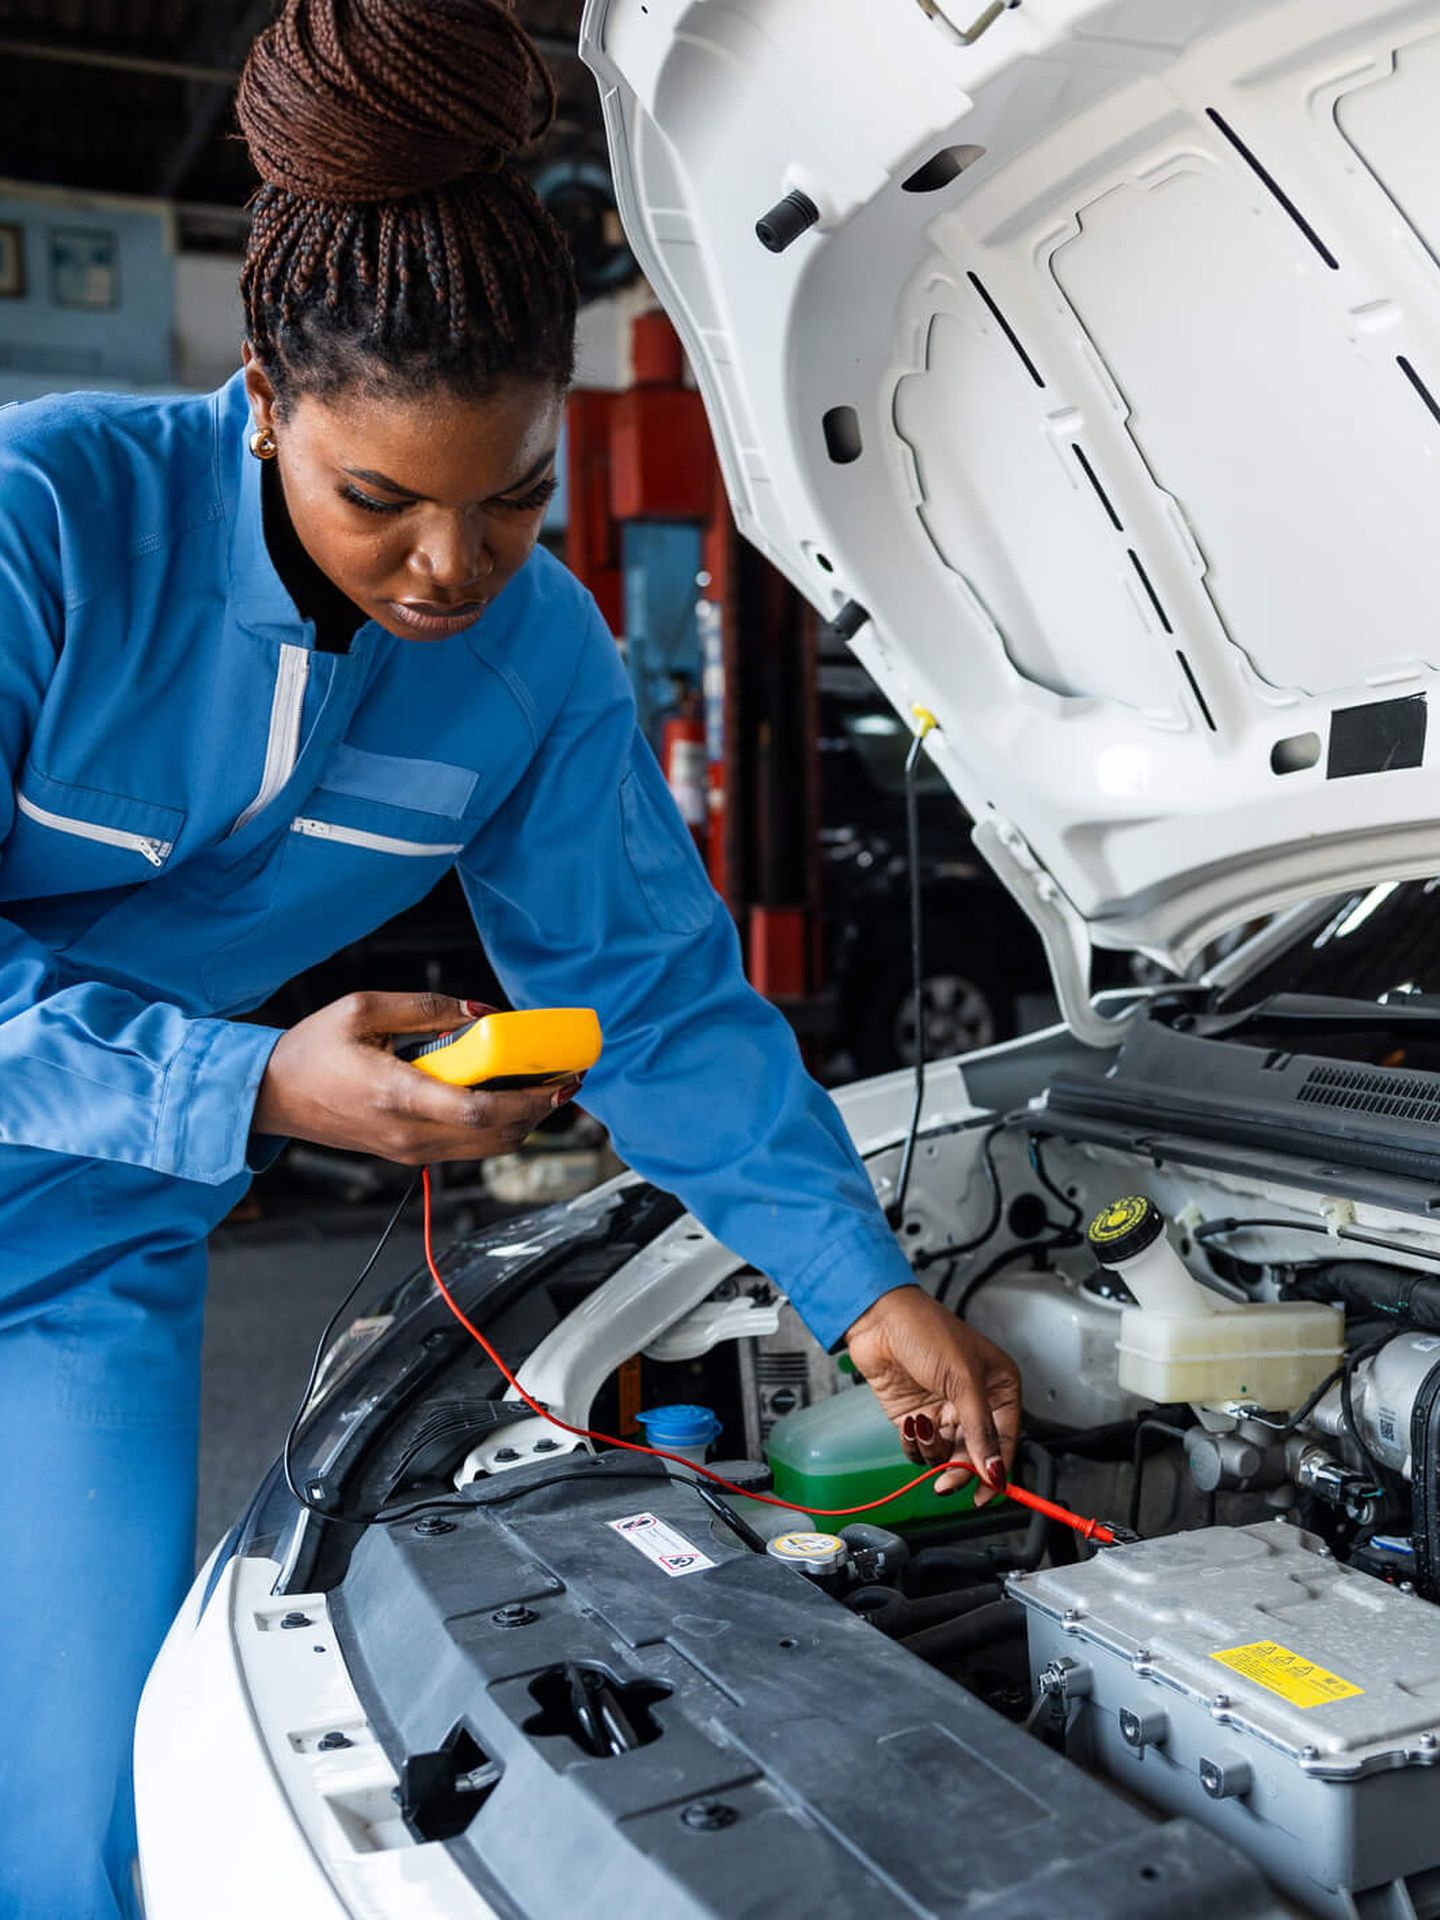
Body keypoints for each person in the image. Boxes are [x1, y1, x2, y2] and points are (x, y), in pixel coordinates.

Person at [0, 2, 1021, 1913]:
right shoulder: (42, 526)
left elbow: (656, 992)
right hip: (129, 1138)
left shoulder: (533, 658)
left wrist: (862, 1285)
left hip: (80, 1261)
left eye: (513, 496)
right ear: (264, 396)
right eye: (379, 500)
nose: (449, 569)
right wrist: (251, 1078)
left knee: (71, 1815)